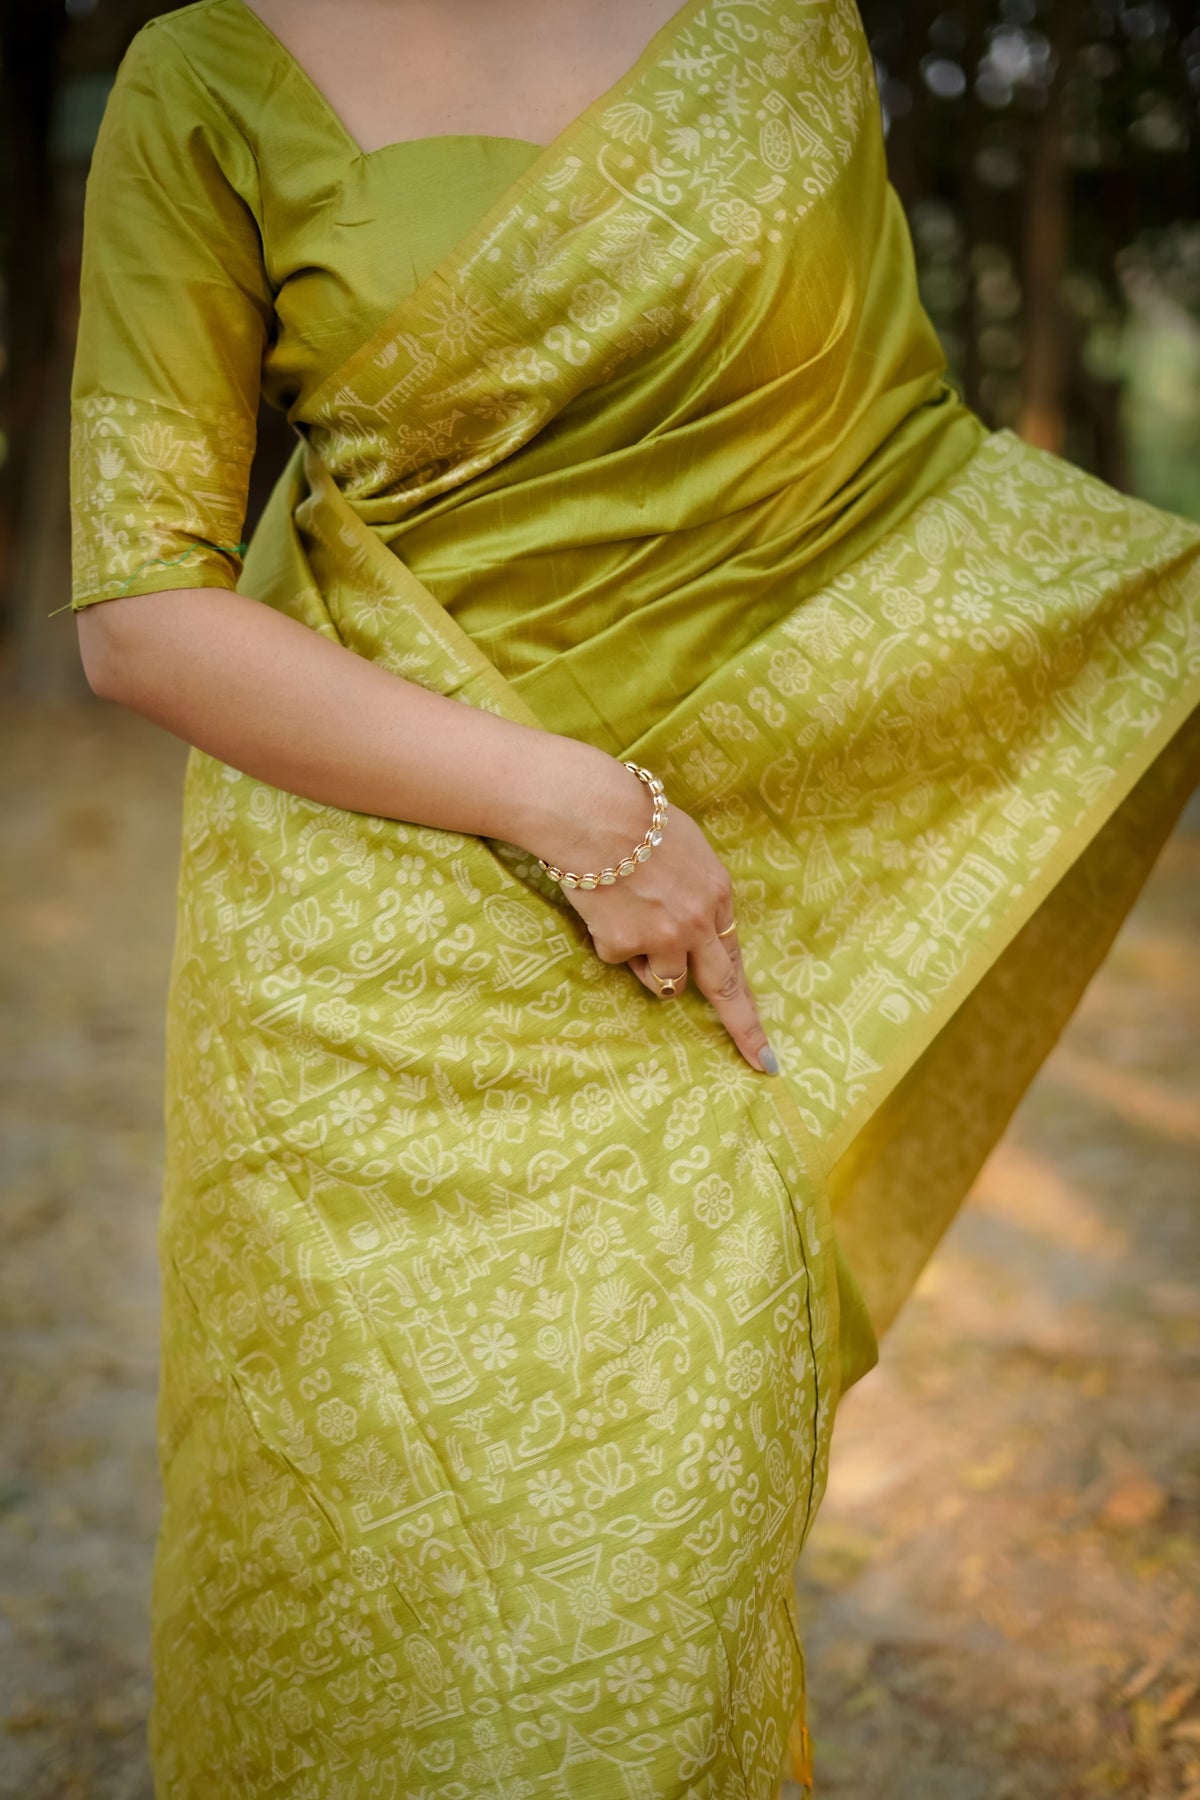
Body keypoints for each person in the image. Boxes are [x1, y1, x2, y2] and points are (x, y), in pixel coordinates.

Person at [68, 0, 1200, 1794]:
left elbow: (886, 480)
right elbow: (139, 613)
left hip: (702, 956)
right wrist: (573, 805)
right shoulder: (206, 76)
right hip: (362, 986)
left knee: (649, 1627)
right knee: (354, 1596)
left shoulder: (772, 35)